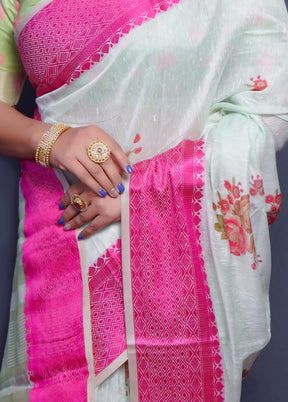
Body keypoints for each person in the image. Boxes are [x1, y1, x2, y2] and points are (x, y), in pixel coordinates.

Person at [0, 0, 288, 400]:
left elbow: (267, 108)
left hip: (182, 252)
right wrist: (51, 139)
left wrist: (139, 192)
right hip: (66, 235)